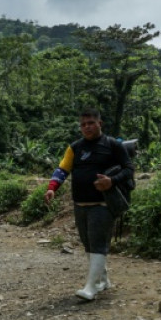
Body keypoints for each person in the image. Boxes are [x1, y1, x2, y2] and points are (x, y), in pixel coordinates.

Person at [44, 108, 134, 301]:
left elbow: (129, 168)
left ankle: (90, 288)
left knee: (98, 244)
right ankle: (103, 280)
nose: (87, 127)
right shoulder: (75, 147)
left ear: (99, 123)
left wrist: (112, 180)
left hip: (103, 203)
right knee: (88, 244)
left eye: (91, 123)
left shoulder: (113, 146)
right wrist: (52, 188)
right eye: (83, 124)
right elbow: (62, 169)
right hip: (80, 203)